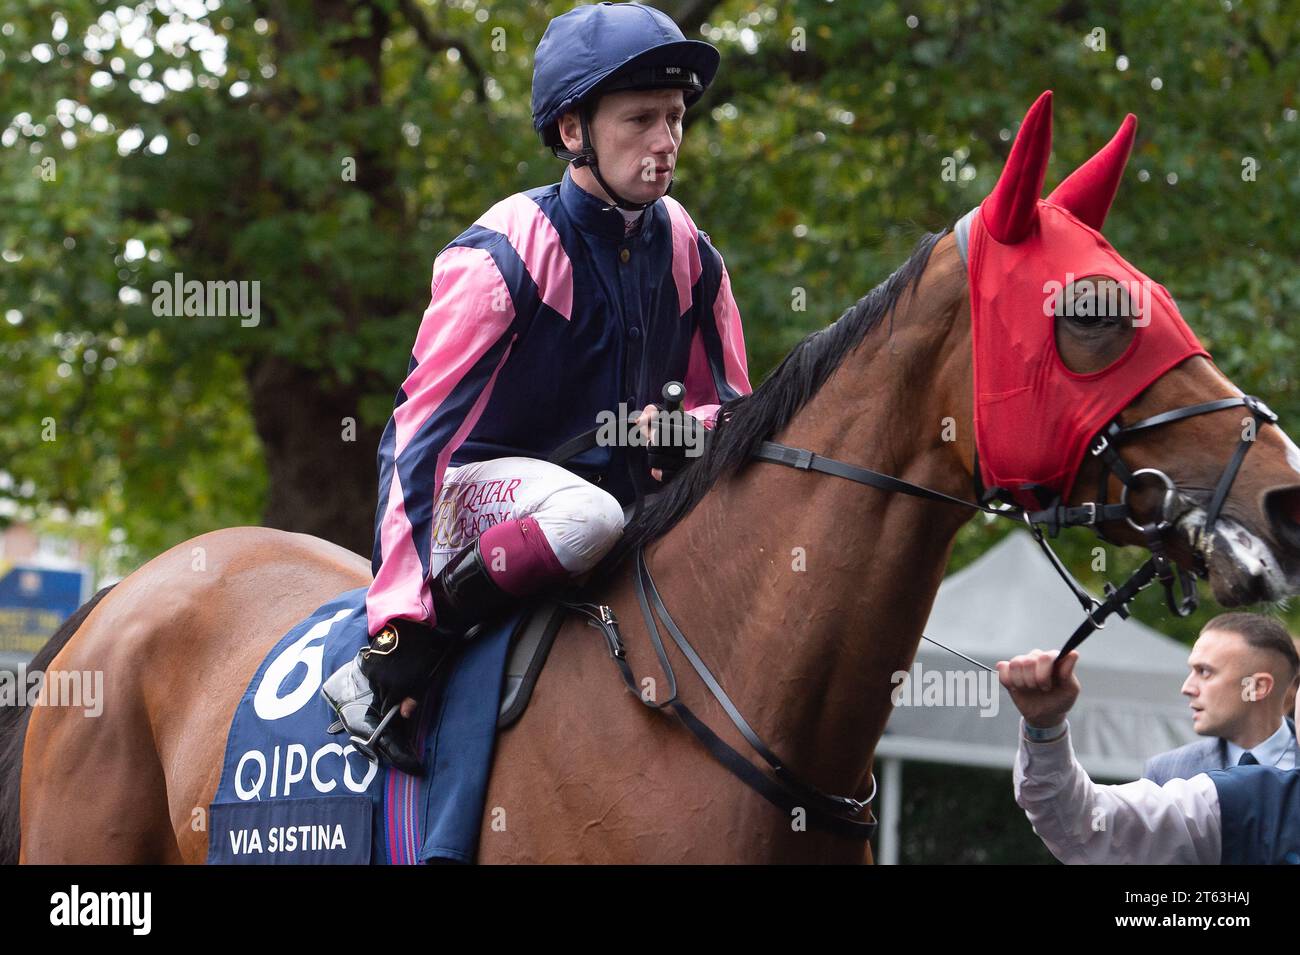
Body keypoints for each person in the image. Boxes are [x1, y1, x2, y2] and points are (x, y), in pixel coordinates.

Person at [321, 1, 752, 774]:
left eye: (676, 118)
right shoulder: (502, 253)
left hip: (610, 515)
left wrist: (681, 430)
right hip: (470, 500)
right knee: (588, 514)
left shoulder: (690, 249)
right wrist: (396, 619)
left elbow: (733, 417)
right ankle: (412, 650)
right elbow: (416, 440)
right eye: (640, 120)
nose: (666, 145)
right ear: (571, 131)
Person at [1001, 647, 1300, 864]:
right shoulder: (1247, 799)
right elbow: (1085, 824)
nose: (1187, 688)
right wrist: (1045, 728)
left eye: (1205, 671)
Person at [1143, 613, 1299, 783]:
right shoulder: (1166, 773)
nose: (1187, 688)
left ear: (1257, 687)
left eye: (1204, 672)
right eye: (1192, 671)